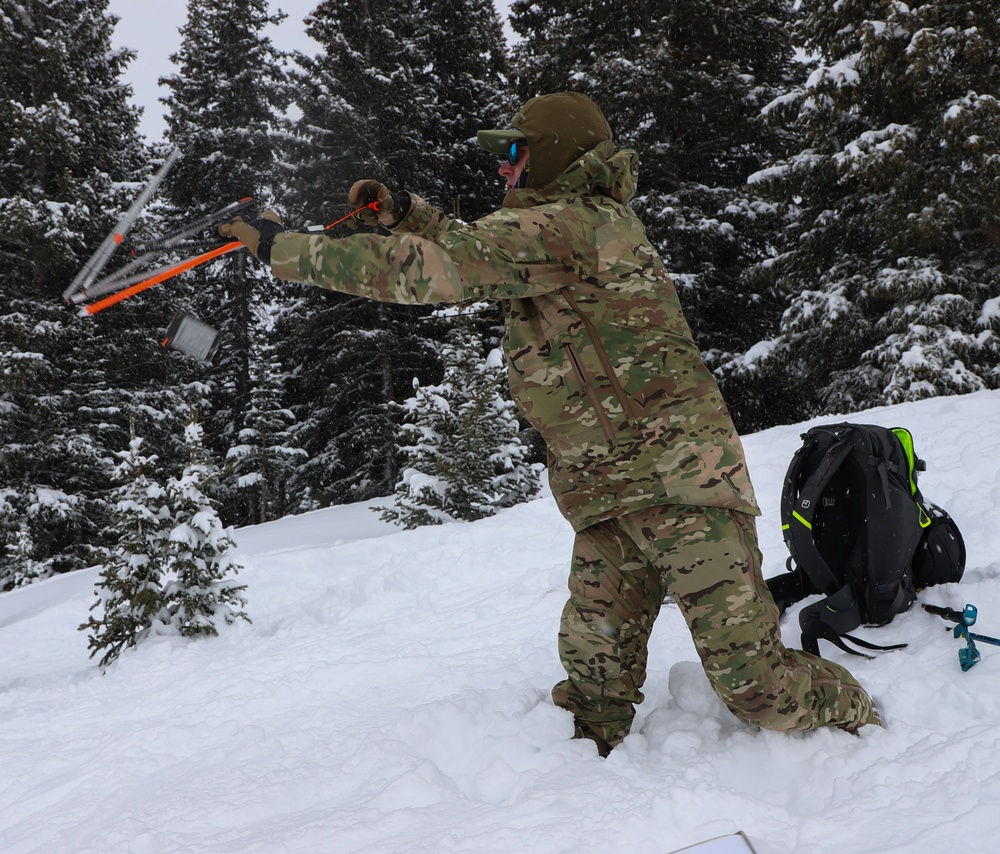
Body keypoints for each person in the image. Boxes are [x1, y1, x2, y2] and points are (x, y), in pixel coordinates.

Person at [221, 91, 880, 756]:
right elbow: (478, 250)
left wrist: (282, 247)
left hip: (682, 487)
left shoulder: (575, 225)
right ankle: (573, 803)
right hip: (607, 493)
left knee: (755, 687)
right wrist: (406, 214)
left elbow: (445, 269)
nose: (504, 168)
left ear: (559, 155)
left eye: (516, 152)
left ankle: (860, 711)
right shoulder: (561, 230)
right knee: (592, 696)